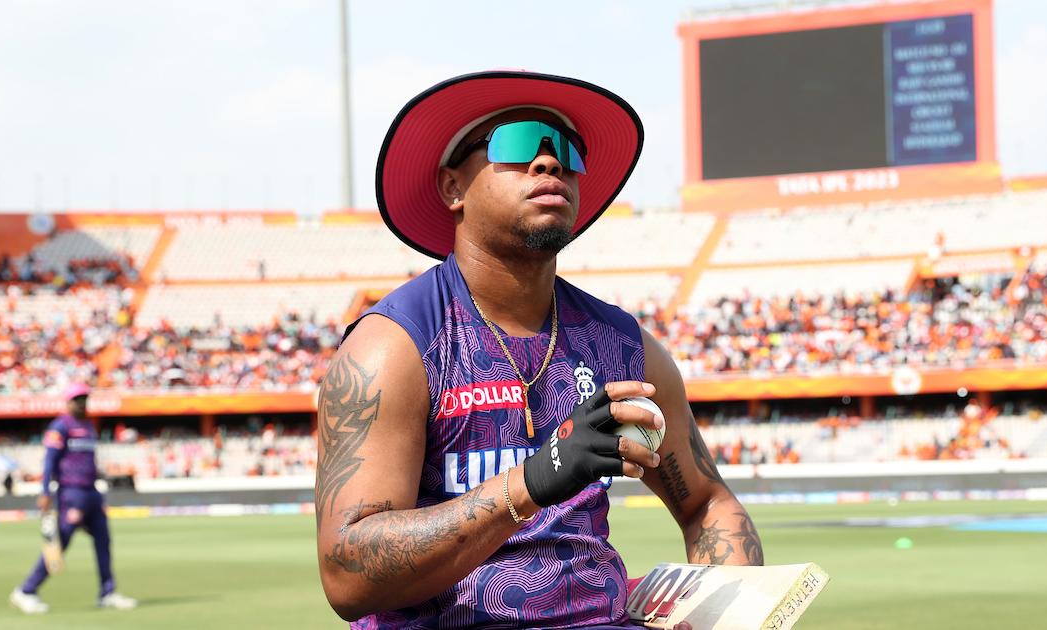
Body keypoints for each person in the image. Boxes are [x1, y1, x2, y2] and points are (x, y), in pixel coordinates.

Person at [315, 70, 763, 629]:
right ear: (453, 188)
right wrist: (531, 482)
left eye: (567, 151)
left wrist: (733, 613)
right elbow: (348, 575)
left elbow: (707, 503)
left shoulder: (623, 345)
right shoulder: (394, 346)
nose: (549, 162)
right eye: (518, 143)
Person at [10, 384, 137, 614]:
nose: (81, 403)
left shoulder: (89, 426)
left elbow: (88, 461)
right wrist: (45, 492)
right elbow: (49, 462)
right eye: (77, 399)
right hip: (71, 493)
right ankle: (26, 591)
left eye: (84, 399)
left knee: (103, 541)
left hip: (92, 492)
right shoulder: (60, 426)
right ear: (68, 402)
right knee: (60, 543)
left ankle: (107, 592)